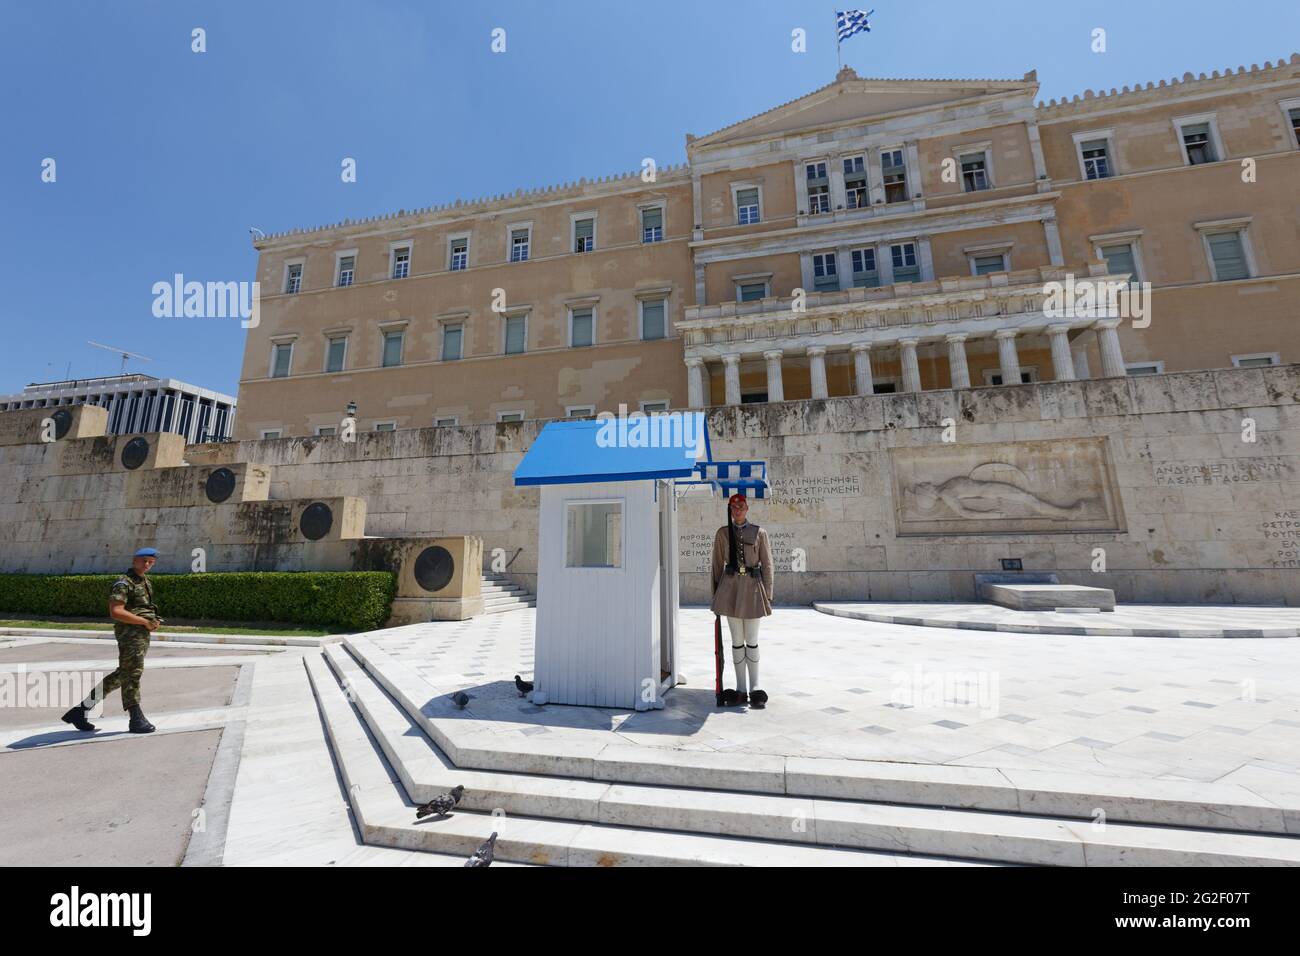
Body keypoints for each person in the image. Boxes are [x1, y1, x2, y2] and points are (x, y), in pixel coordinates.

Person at [61, 548, 162, 734]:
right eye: (143, 561)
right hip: (129, 635)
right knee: (132, 674)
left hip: (141, 634)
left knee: (122, 674)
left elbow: (142, 608)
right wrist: (144, 622)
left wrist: (151, 622)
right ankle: (136, 718)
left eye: (150, 562)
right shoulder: (123, 583)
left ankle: (81, 711)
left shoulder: (145, 581)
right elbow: (116, 611)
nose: (146, 564)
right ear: (134, 560)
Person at [710, 493, 774, 709]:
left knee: (752, 639)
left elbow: (767, 564)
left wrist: (769, 593)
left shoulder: (759, 532)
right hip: (730, 591)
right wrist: (715, 597)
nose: (737, 510)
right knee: (737, 640)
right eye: (733, 507)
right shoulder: (723, 533)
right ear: (730, 510)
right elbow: (717, 566)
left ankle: (756, 687)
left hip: (753, 590)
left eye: (741, 506)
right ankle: (740, 688)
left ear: (747, 509)